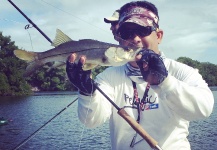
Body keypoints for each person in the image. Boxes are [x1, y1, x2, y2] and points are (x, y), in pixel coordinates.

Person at [66, 1, 214, 150]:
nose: (135, 39)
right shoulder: (108, 77)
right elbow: (91, 121)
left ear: (159, 36)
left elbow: (204, 109)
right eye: (127, 33)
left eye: (143, 30)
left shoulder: (181, 71)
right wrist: (87, 93)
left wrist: (165, 82)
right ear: (119, 38)